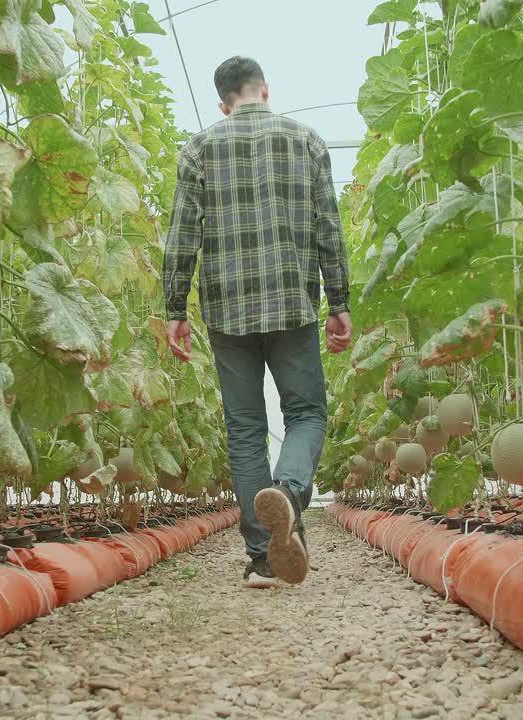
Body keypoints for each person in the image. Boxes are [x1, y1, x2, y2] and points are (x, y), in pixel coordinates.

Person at [161, 56, 352, 588]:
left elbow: (181, 236)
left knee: (245, 430)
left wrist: (175, 308)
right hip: (292, 301)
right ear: (264, 91)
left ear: (224, 103)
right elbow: (327, 227)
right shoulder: (308, 141)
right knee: (307, 413)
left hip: (227, 308)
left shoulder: (200, 147)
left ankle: (263, 558)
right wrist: (338, 299)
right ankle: (288, 493)